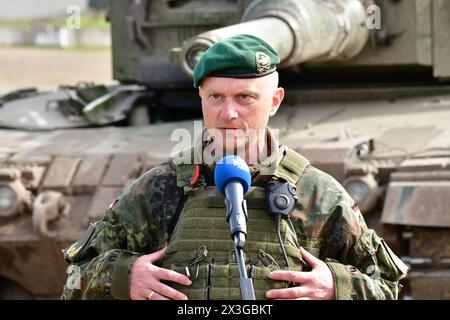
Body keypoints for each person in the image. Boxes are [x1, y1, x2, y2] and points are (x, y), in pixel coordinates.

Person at [62, 34, 408, 300]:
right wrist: (124, 275)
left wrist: (338, 286)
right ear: (201, 97)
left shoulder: (317, 193)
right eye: (216, 97)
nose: (228, 113)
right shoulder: (160, 190)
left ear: (274, 101)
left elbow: (387, 285)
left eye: (245, 97)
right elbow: (75, 278)